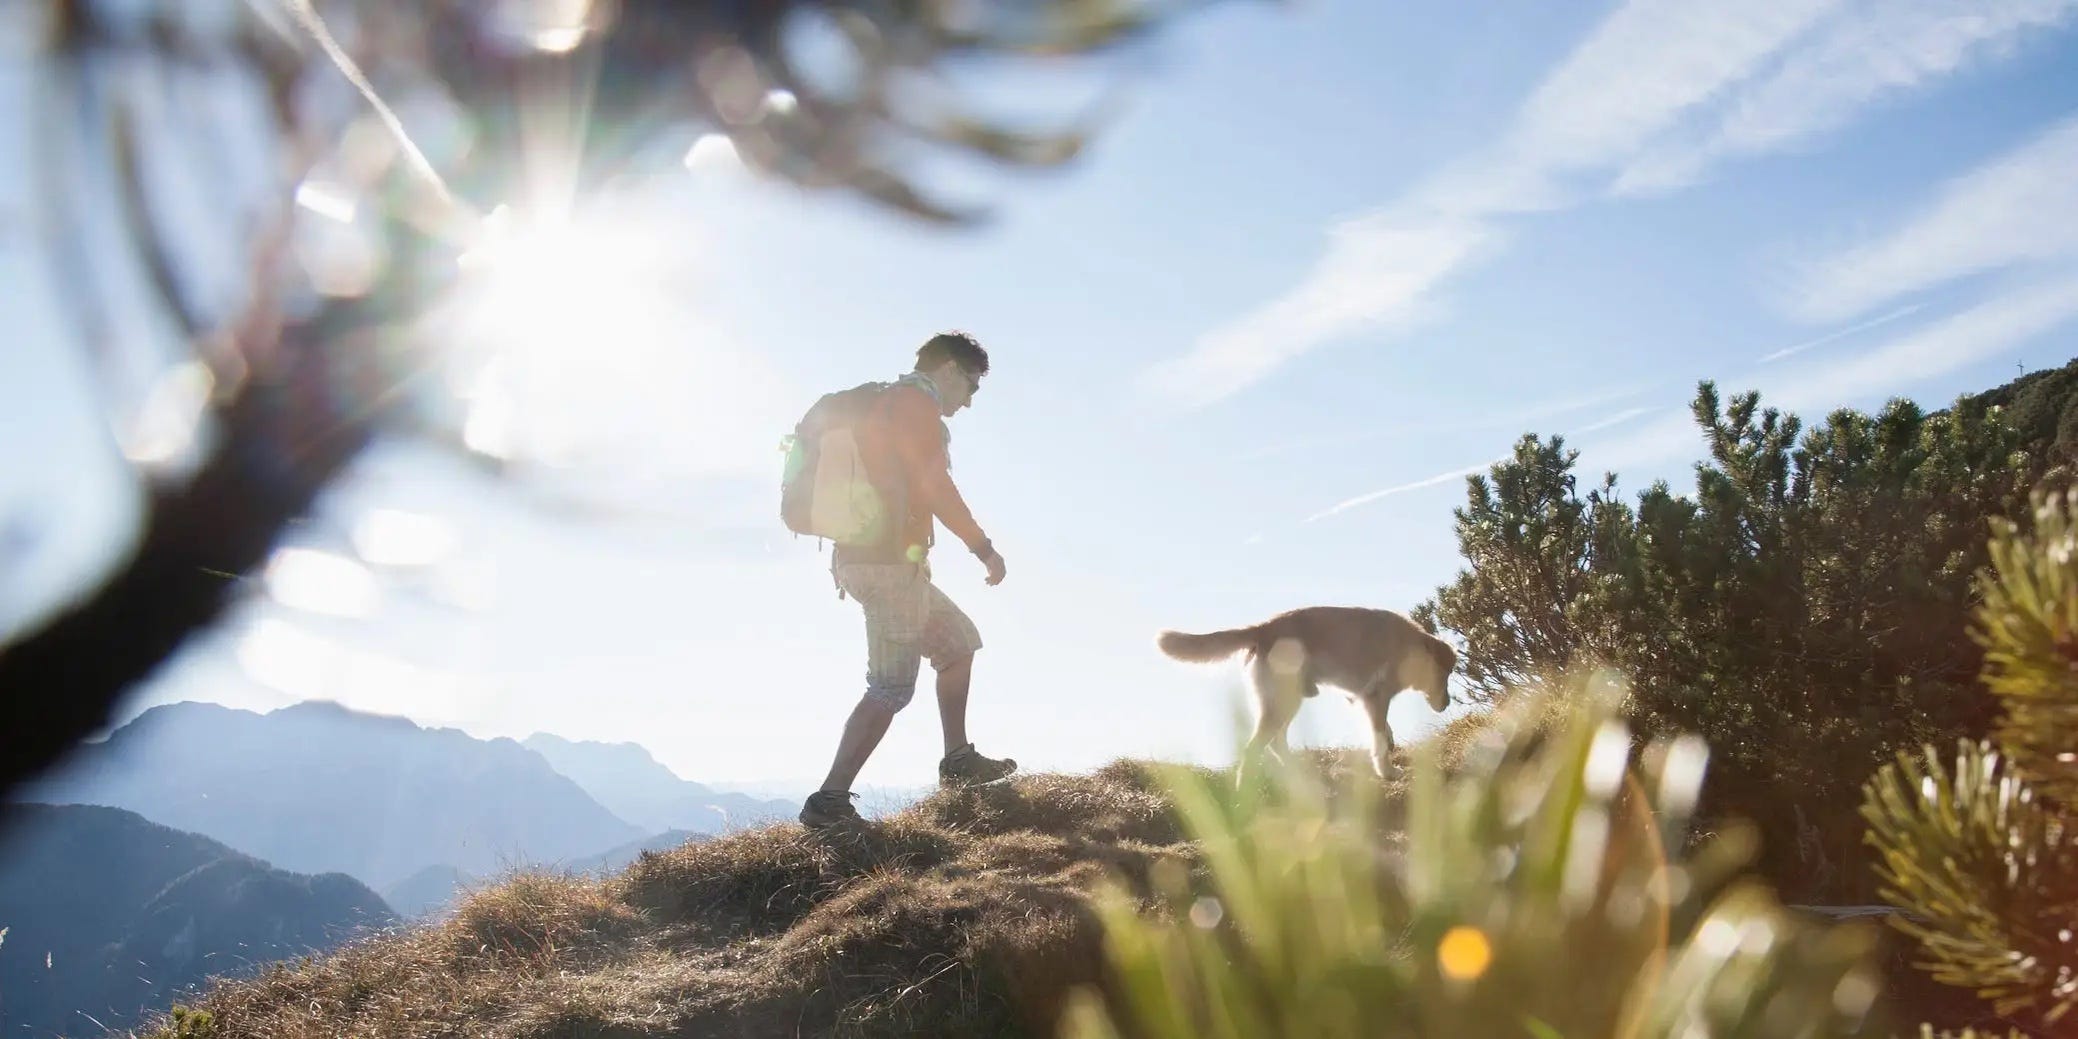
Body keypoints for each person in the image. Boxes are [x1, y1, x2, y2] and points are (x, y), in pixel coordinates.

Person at [799, 332, 1015, 828]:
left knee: (958, 643)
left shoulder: (886, 402)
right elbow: (933, 484)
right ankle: (828, 802)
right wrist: (983, 548)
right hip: (887, 566)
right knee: (891, 686)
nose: (970, 400)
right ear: (950, 370)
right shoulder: (915, 404)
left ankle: (958, 761)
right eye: (972, 385)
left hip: (881, 563)